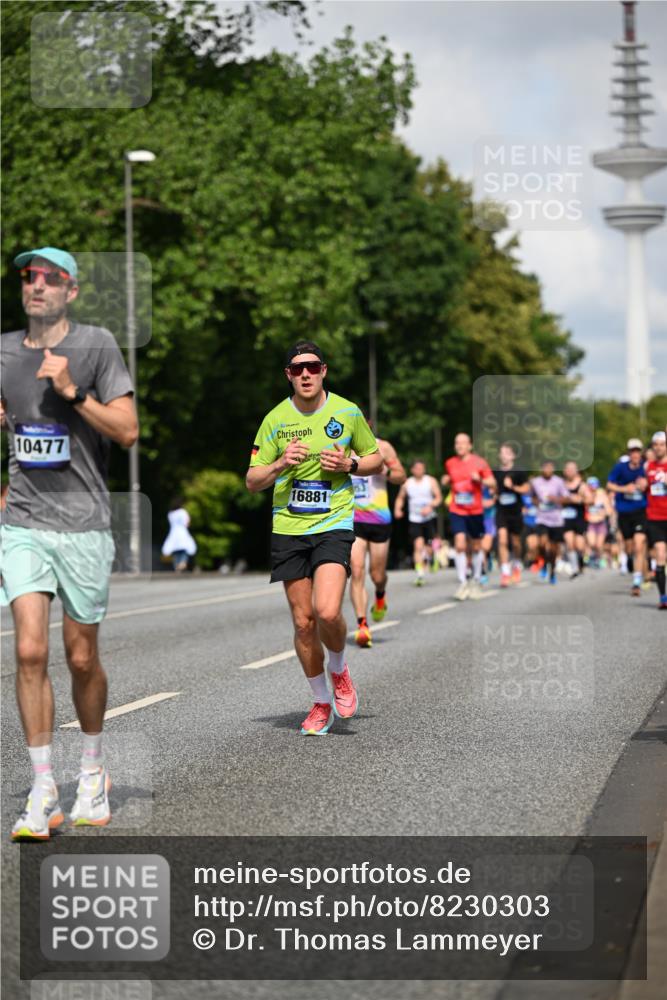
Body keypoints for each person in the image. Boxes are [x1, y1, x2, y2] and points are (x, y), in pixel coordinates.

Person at [0, 247, 138, 840]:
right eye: (30, 276)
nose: (37, 286)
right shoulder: (4, 351)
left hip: (83, 523)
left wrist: (74, 391)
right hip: (25, 521)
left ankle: (92, 770)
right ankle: (42, 788)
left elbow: (128, 431)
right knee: (29, 651)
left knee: (81, 657)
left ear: (71, 291)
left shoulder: (97, 345)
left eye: (50, 278)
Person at [246, 341, 381, 734]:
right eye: (296, 369)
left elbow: (376, 460)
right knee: (304, 623)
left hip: (333, 522)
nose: (305, 374)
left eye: (312, 367)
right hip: (289, 526)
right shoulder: (275, 420)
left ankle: (338, 669)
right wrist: (279, 463)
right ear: (288, 375)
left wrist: (350, 463)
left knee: (326, 611)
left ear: (324, 370)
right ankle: (321, 701)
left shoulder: (346, 412)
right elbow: (252, 481)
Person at [350, 432, 405, 647]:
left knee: (377, 574)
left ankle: (380, 594)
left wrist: (386, 471)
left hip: (379, 519)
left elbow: (402, 477)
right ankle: (362, 625)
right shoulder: (341, 447)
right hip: (353, 519)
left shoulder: (383, 447)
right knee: (356, 570)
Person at [441, 433, 495, 600]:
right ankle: (463, 582)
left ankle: (477, 580)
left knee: (477, 546)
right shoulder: (450, 463)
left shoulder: (480, 462)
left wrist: (480, 479)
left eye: (463, 443)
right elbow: (451, 481)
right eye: (457, 443)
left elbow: (492, 483)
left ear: (470, 445)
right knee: (459, 543)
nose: (459, 446)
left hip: (476, 510)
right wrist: (446, 480)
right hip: (457, 509)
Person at [607, 439, 648, 597]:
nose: (635, 454)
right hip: (624, 512)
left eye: (638, 451)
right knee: (630, 547)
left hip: (641, 510)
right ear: (629, 453)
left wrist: (645, 484)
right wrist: (624, 488)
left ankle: (636, 582)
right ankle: (632, 561)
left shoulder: (645, 467)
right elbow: (609, 485)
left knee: (639, 545)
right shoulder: (620, 468)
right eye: (633, 451)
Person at [394, 459, 442, 586]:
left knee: (429, 547)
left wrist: (430, 506)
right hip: (414, 519)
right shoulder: (407, 483)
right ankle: (420, 574)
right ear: (413, 470)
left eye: (422, 468)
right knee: (418, 546)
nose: (420, 471)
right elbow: (400, 498)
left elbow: (438, 498)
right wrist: (397, 509)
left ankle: (432, 557)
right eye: (417, 468)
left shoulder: (430, 481)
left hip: (429, 518)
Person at [493, 443, 529, 587]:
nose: (504, 455)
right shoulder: (496, 472)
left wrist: (513, 486)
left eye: (507, 452)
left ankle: (516, 564)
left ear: (513, 455)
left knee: (515, 542)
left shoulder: (519, 471)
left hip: (515, 511)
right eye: (502, 452)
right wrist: (493, 493)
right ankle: (505, 572)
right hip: (501, 510)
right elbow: (493, 487)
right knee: (502, 540)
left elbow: (526, 489)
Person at [530, 460, 570, 584]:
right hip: (542, 518)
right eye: (545, 468)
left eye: (550, 468)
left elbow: (567, 499)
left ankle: (552, 571)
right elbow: (532, 497)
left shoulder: (559, 481)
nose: (548, 470)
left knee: (553, 549)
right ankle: (543, 562)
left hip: (556, 520)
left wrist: (556, 499)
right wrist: (536, 502)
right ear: (542, 469)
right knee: (541, 543)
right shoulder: (535, 482)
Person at [644, 430, 667, 609]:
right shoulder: (648, 466)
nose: (659, 448)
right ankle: (663, 597)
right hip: (655, 517)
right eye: (656, 444)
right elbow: (644, 487)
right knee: (660, 554)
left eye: (662, 444)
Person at [562, 460, 589, 579]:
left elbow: (591, 500)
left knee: (579, 545)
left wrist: (579, 499)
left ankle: (580, 560)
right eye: (568, 469)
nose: (570, 472)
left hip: (579, 517)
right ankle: (574, 568)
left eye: (572, 469)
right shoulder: (561, 485)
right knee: (569, 542)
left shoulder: (582, 485)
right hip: (566, 517)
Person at [161, 497, 197, 572]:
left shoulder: (170, 513)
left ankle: (176, 566)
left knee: (175, 550)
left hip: (173, 533)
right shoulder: (182, 512)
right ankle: (182, 563)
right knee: (184, 549)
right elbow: (186, 523)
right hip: (182, 532)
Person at [585, 477, 613, 568]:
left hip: (601, 523)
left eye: (594, 485)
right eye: (590, 485)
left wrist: (603, 512)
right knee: (591, 543)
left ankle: (597, 559)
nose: (592, 487)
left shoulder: (602, 496)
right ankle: (592, 558)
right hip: (591, 523)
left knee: (599, 544)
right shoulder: (586, 496)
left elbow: (609, 511)